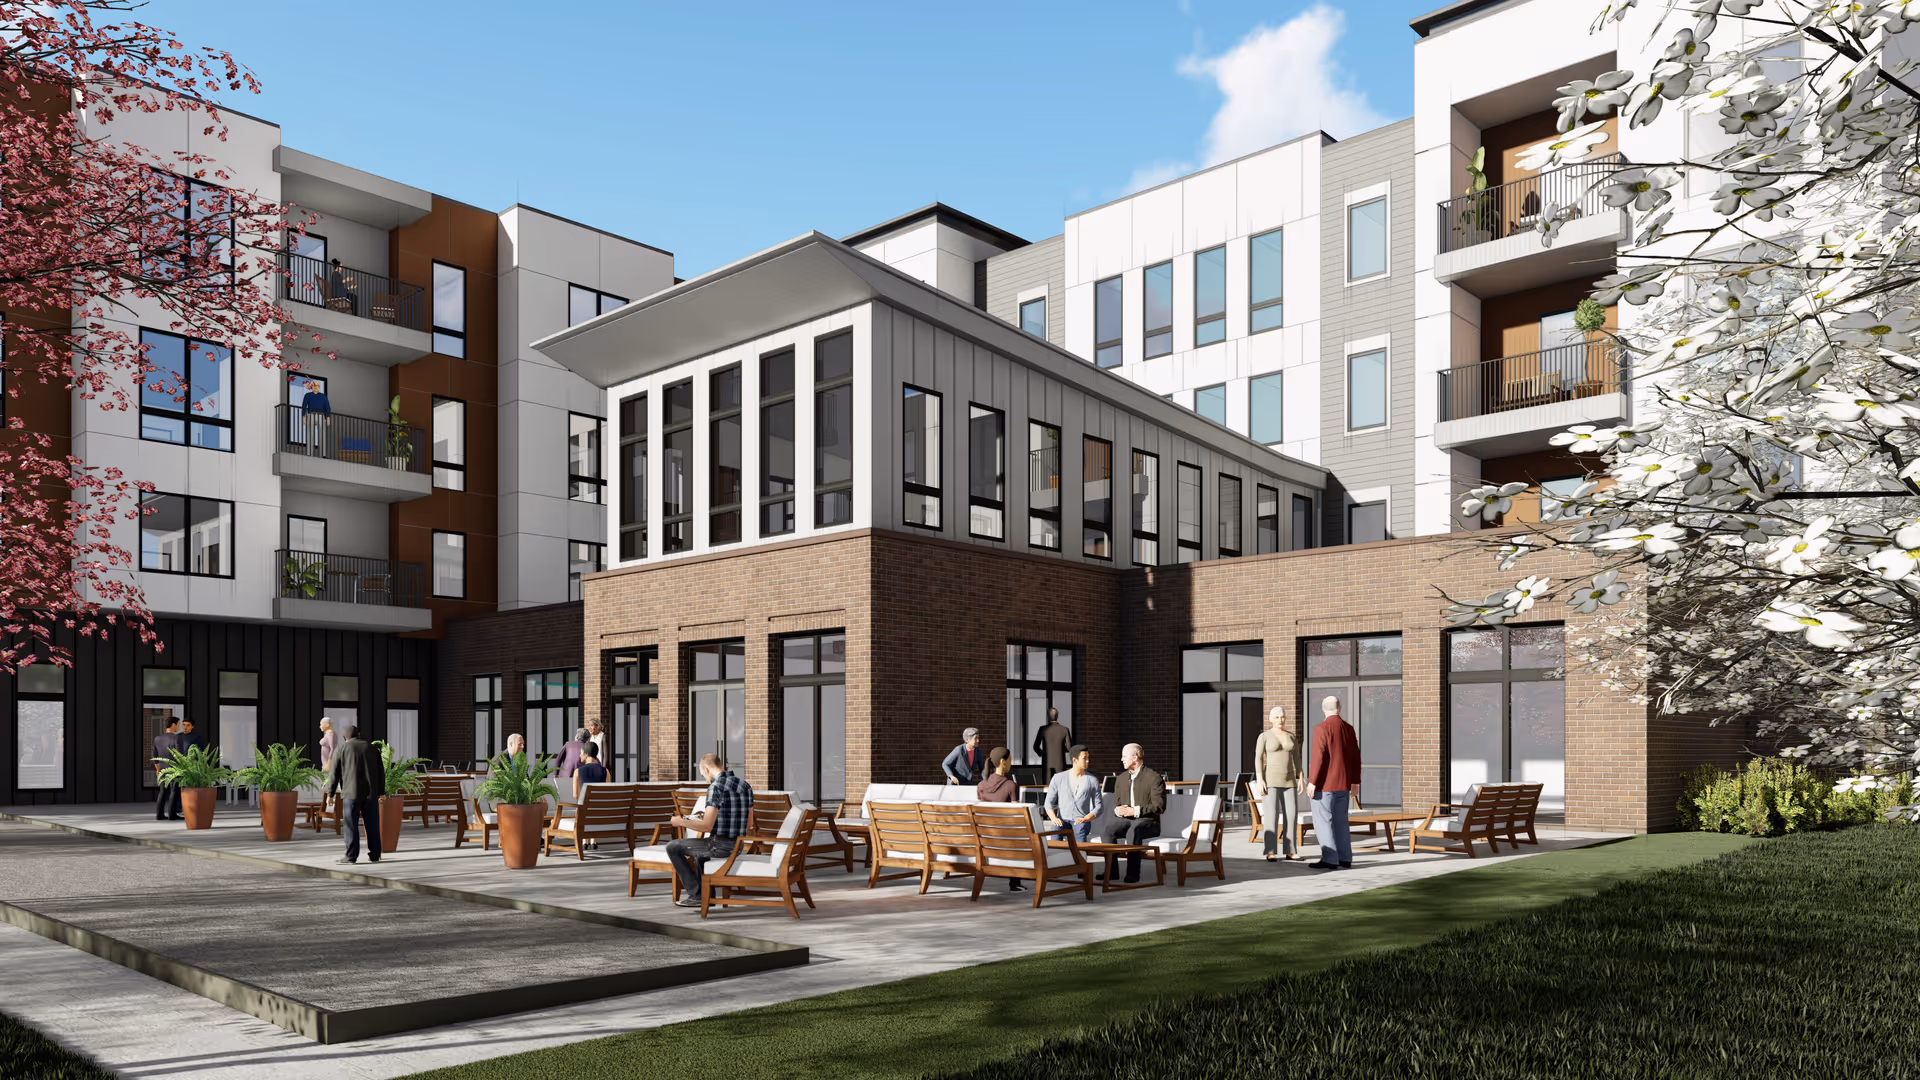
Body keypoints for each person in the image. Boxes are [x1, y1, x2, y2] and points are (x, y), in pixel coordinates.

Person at [664, 753, 752, 908]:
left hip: (720, 845)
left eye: (703, 774)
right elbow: (749, 822)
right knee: (700, 851)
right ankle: (708, 896)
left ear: (706, 768)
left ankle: (696, 895)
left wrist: (681, 822)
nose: (704, 777)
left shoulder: (715, 787)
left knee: (673, 847)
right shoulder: (744, 785)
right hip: (737, 846)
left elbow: (707, 827)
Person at [1307, 696, 1361, 871]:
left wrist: (1312, 781)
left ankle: (1330, 858)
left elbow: (1318, 757)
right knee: (1341, 822)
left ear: (1323, 710)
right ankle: (1345, 858)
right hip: (1344, 785)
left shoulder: (1321, 728)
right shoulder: (1349, 729)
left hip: (1325, 785)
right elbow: (1355, 758)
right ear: (1340, 708)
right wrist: (1355, 782)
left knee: (1323, 821)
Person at [1099, 742, 1165, 883]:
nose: (1121, 759)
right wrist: (1118, 810)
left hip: (1148, 822)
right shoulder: (1121, 778)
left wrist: (1135, 811)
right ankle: (1111, 871)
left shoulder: (1153, 778)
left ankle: (1132, 874)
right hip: (1126, 820)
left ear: (1135, 757)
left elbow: (1159, 806)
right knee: (1107, 829)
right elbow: (1115, 803)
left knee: (1134, 830)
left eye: (1124, 756)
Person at [325, 724, 383, 865]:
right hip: (370, 795)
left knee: (350, 826)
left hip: (350, 794)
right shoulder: (372, 748)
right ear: (359, 733)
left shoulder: (342, 748)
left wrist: (330, 794)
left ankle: (351, 856)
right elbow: (381, 773)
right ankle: (375, 855)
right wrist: (381, 792)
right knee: (372, 825)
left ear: (345, 737)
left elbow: (334, 774)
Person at [1254, 705, 1301, 862]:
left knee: (1292, 815)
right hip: (1270, 781)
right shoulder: (1264, 736)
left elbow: (1297, 759)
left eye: (1282, 717)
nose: (1280, 720)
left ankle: (1291, 850)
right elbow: (1258, 758)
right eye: (1277, 717)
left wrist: (1300, 777)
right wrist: (1260, 779)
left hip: (1289, 781)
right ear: (1270, 719)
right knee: (1271, 816)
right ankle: (1270, 851)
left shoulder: (1291, 736)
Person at [976, 749, 1024, 891]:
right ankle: (1015, 884)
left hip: (985, 836)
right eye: (1009, 760)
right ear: (1003, 762)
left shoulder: (981, 786)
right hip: (1005, 837)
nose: (1011, 763)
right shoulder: (1011, 785)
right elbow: (1016, 815)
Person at [1043, 745, 1101, 842]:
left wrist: (1086, 818)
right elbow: (1048, 802)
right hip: (1062, 819)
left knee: (1080, 829)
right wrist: (1053, 818)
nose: (1088, 761)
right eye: (1084, 758)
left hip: (1081, 820)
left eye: (1088, 758)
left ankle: (1080, 856)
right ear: (1075, 760)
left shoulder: (1092, 780)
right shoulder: (1058, 778)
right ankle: (1056, 856)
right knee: (1055, 829)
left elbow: (1099, 806)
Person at [152, 718, 182, 820]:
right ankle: (172, 814)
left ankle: (159, 814)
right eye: (178, 724)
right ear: (173, 724)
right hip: (173, 768)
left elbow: (155, 755)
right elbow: (179, 755)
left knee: (162, 791)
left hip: (162, 769)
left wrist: (157, 769)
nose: (179, 726)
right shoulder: (176, 738)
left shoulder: (157, 738)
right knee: (174, 790)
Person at [1032, 707, 1074, 778]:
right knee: (1060, 785)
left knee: (1047, 786)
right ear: (1057, 717)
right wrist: (1061, 749)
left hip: (1046, 764)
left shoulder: (1042, 729)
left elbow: (1035, 747)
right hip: (1060, 764)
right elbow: (1069, 747)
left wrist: (1043, 754)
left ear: (1048, 717)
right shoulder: (1064, 729)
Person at [299, 379, 331, 457]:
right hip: (310, 415)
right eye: (313, 385)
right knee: (309, 434)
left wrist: (328, 418)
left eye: (316, 385)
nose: (315, 387)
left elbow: (328, 408)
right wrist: (303, 417)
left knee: (322, 435)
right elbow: (304, 406)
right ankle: (309, 453)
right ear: (311, 387)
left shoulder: (323, 396)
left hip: (321, 416)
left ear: (319, 387)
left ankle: (323, 454)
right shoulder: (308, 395)